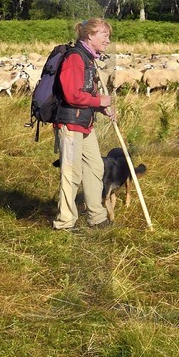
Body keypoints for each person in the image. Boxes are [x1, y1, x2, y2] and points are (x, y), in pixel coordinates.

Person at [50, 17, 118, 233]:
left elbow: (85, 92)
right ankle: (65, 223)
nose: (108, 39)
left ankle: (96, 216)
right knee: (71, 173)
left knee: (95, 167)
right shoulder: (75, 59)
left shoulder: (89, 58)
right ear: (90, 36)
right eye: (104, 35)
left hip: (84, 124)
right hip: (70, 125)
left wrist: (101, 108)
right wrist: (99, 102)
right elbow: (72, 95)